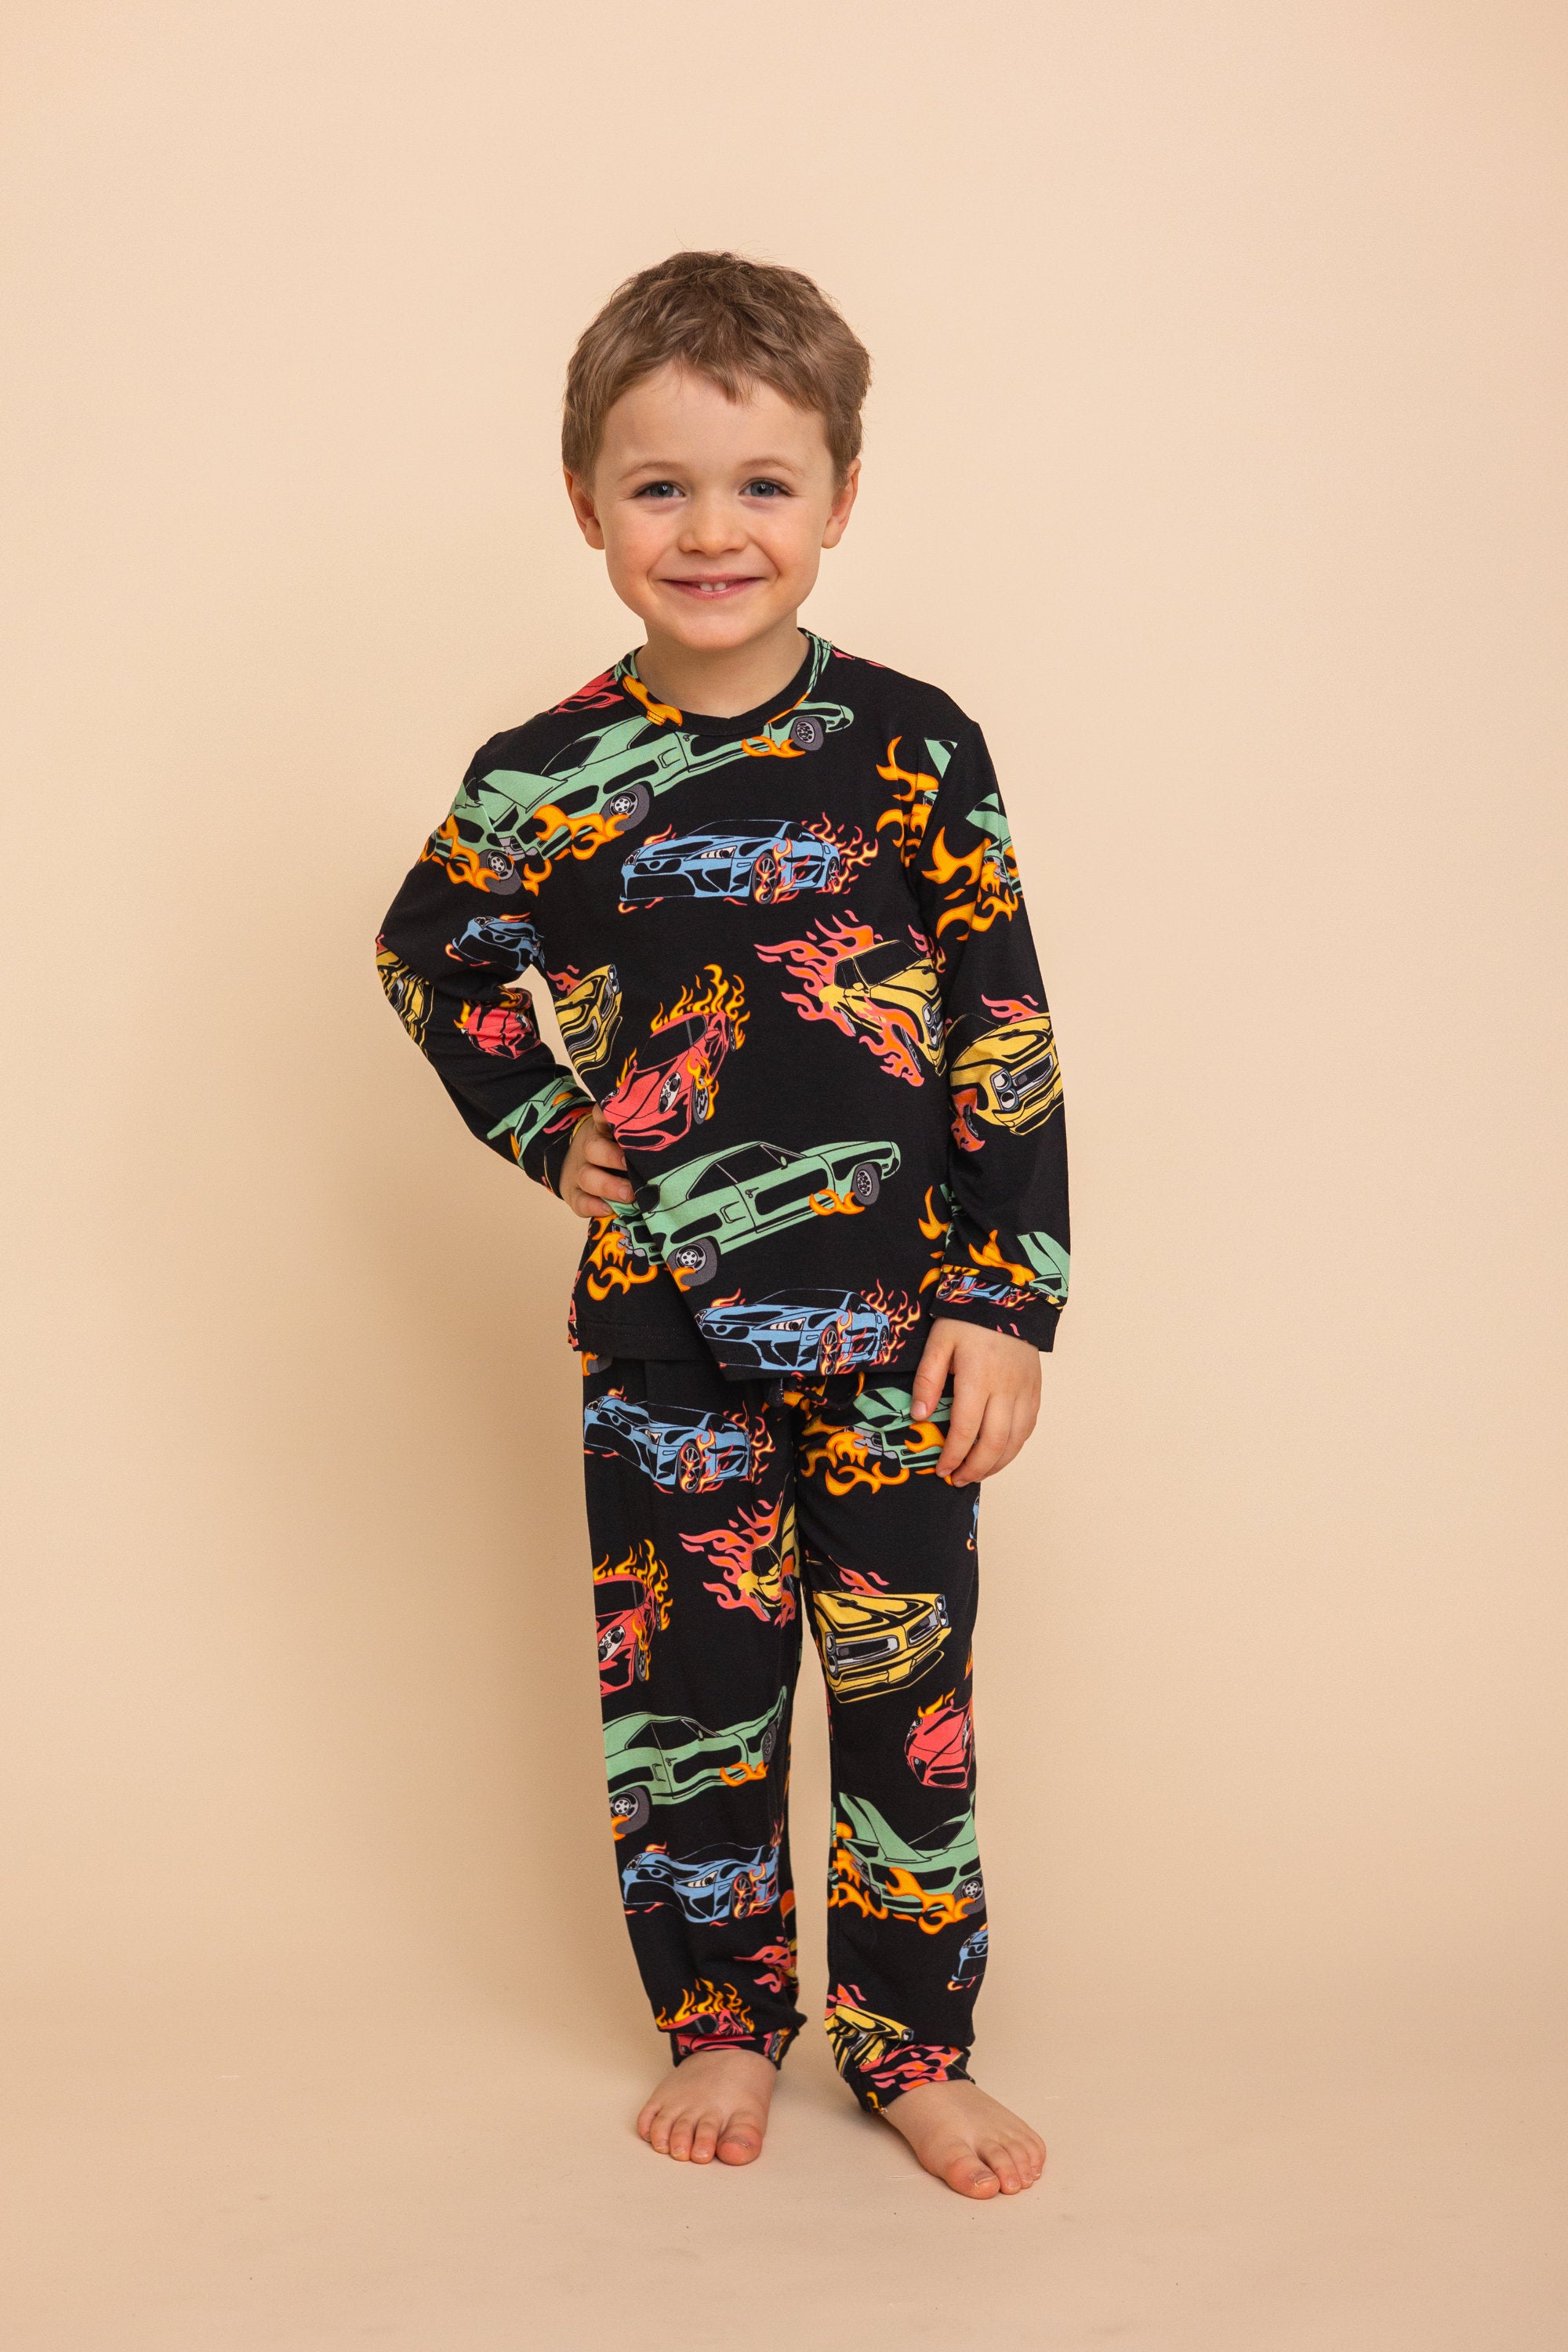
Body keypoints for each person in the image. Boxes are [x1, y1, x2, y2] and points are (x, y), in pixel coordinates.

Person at [376, 252, 1069, 2199]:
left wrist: (1008, 1301)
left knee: (905, 1703)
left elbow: (1002, 1026)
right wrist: (545, 1123)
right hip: (662, 1333)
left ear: (838, 498)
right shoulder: (539, 775)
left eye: (762, 484)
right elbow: (431, 953)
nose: (710, 531)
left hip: (901, 1331)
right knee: (686, 1706)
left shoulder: (914, 745)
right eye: (659, 485)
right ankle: (721, 2024)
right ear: (585, 504)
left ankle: (910, 2047)